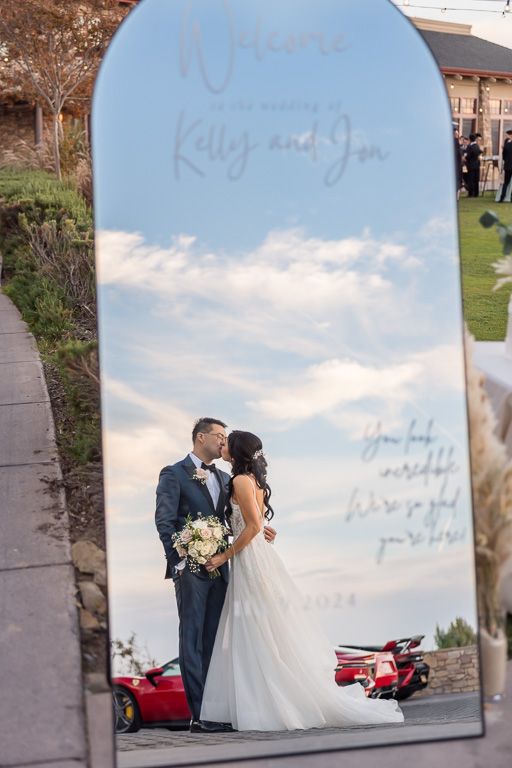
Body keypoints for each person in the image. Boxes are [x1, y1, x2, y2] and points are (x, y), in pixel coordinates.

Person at [200, 430, 404, 731]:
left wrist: (222, 556)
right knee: (263, 631)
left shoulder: (242, 481)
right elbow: (257, 525)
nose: (223, 445)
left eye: (227, 442)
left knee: (260, 631)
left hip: (250, 561)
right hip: (255, 559)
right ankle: (266, 702)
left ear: (238, 451)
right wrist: (257, 532)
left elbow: (254, 525)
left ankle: (273, 706)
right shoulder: (252, 482)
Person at [155, 418, 276, 733]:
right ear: (200, 437)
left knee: (214, 640)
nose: (224, 442)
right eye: (219, 436)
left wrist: (261, 530)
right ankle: (199, 716)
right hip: (190, 569)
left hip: (222, 569)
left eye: (226, 438)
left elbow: (240, 519)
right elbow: (165, 521)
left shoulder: (226, 478)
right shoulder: (173, 474)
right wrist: (178, 563)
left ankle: (216, 710)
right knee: (192, 639)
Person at [465, 133, 482, 198]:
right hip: (477, 164)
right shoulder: (477, 146)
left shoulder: (470, 147)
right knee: (476, 179)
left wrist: (465, 158)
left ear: (469, 139)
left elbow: (468, 155)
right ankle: (476, 193)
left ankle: (470, 193)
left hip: (471, 165)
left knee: (471, 179)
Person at [499, 129, 512, 203]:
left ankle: (502, 197)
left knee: (506, 183)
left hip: (508, 166)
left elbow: (503, 156)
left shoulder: (506, 145)